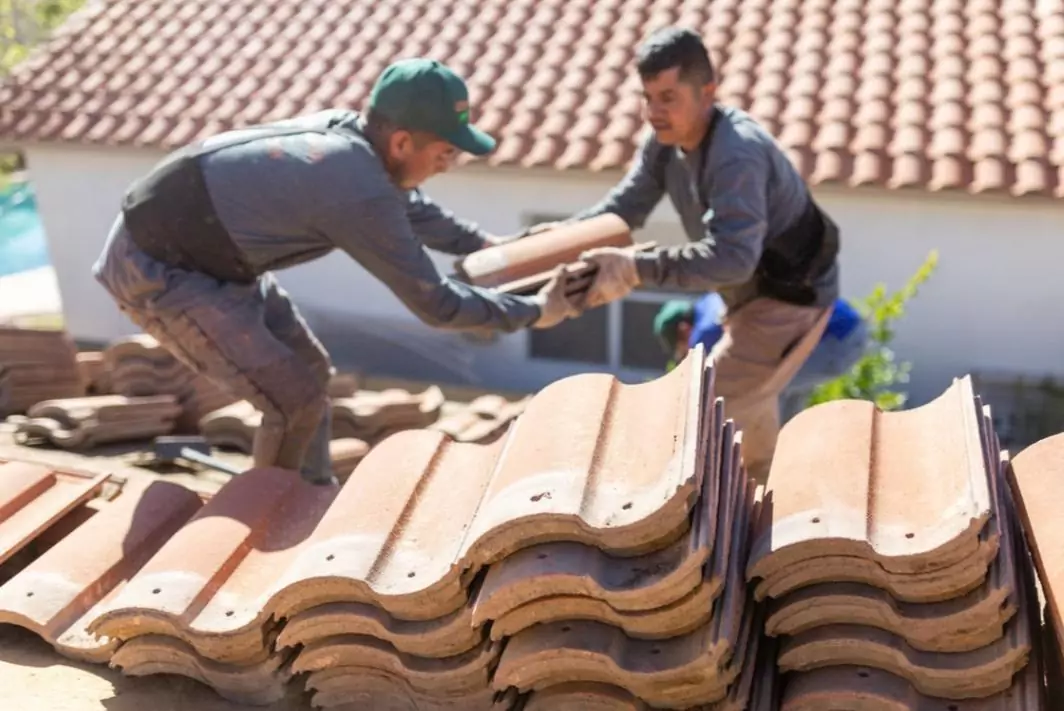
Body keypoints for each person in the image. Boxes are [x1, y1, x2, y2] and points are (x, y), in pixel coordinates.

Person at [92, 58, 578, 486]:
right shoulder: (354, 187)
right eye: (446, 152)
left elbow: (412, 208)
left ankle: (310, 494)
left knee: (312, 372)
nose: (449, 165)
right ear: (404, 141)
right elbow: (438, 304)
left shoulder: (360, 144)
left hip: (216, 257)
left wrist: (491, 247)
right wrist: (536, 311)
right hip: (160, 268)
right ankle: (266, 529)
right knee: (291, 400)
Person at [530, 27, 841, 482]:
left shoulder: (737, 155)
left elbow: (732, 259)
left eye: (669, 97)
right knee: (744, 412)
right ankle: (761, 496)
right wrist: (565, 236)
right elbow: (624, 209)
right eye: (648, 97)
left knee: (705, 412)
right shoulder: (664, 143)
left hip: (789, 300)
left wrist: (635, 268)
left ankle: (716, 520)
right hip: (747, 295)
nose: (655, 111)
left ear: (707, 92)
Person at [654, 294, 869, 421]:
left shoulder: (704, 332)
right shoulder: (711, 300)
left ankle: (776, 464)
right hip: (845, 328)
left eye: (683, 348)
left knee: (767, 390)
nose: (686, 354)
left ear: (684, 329)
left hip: (836, 339)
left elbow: (710, 385)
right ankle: (787, 457)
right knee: (781, 397)